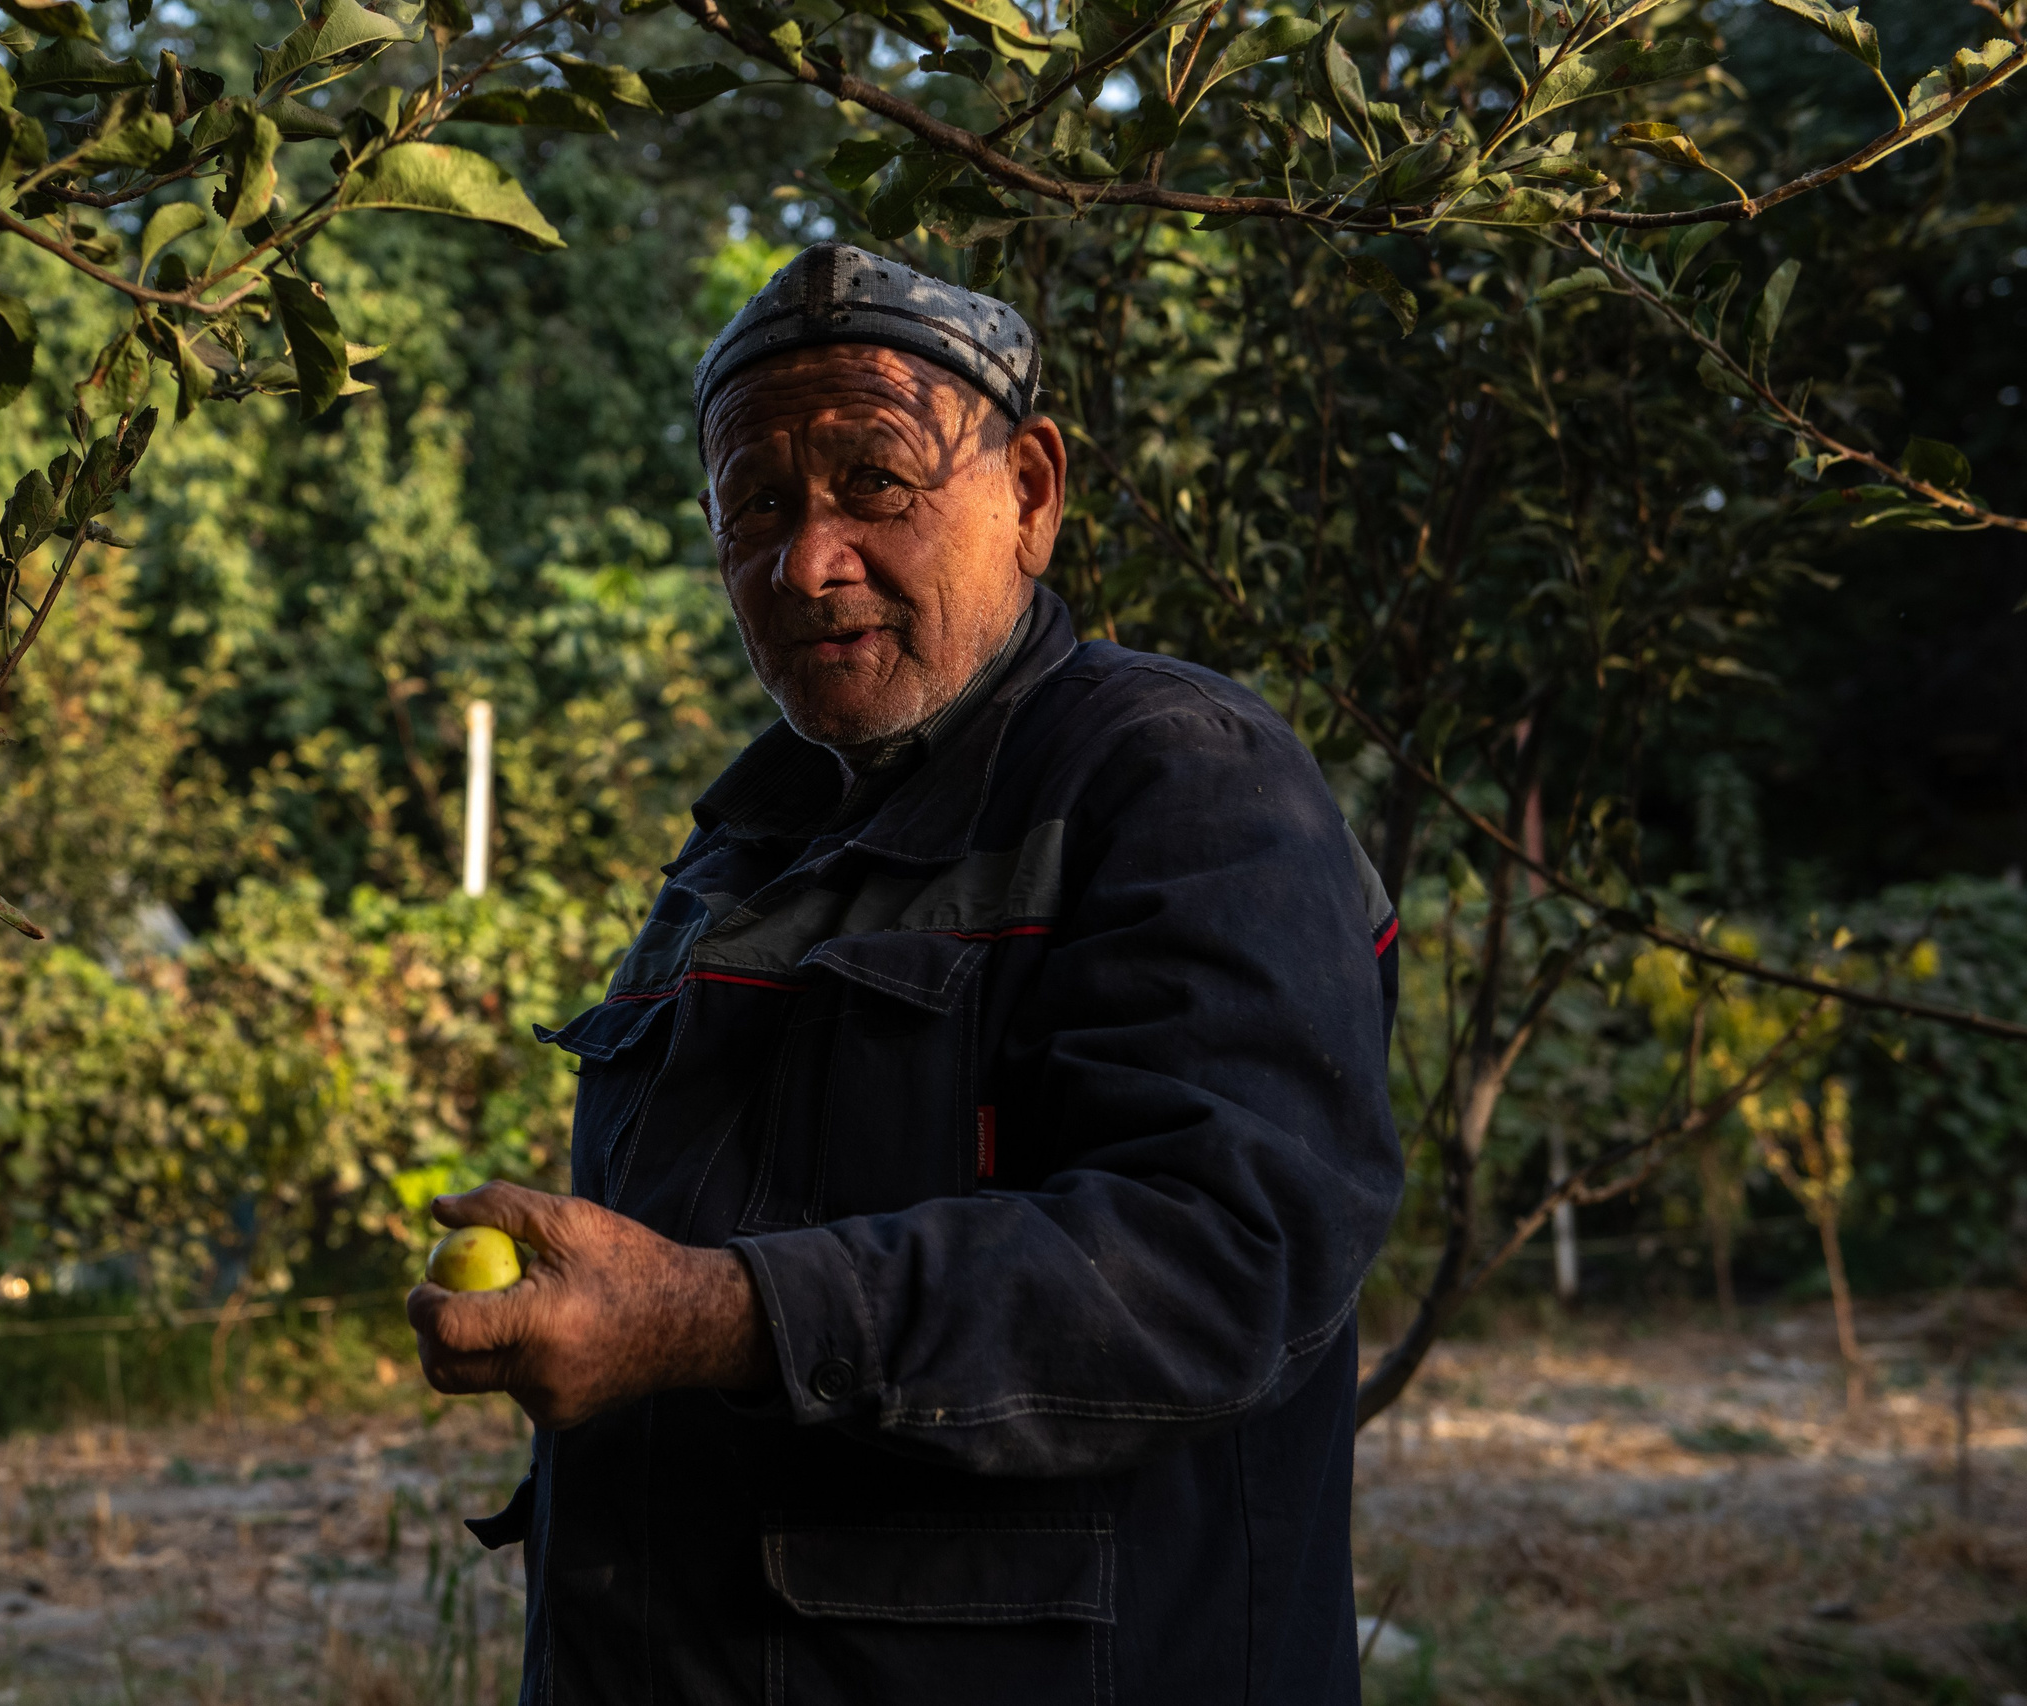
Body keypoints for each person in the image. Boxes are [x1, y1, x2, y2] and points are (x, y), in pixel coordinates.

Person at [408, 241, 1404, 1705]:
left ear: (1033, 493)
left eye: (875, 481)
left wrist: (709, 1311)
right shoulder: (745, 845)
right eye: (757, 504)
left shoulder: (1184, 780)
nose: (807, 562)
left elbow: (1220, 1257)